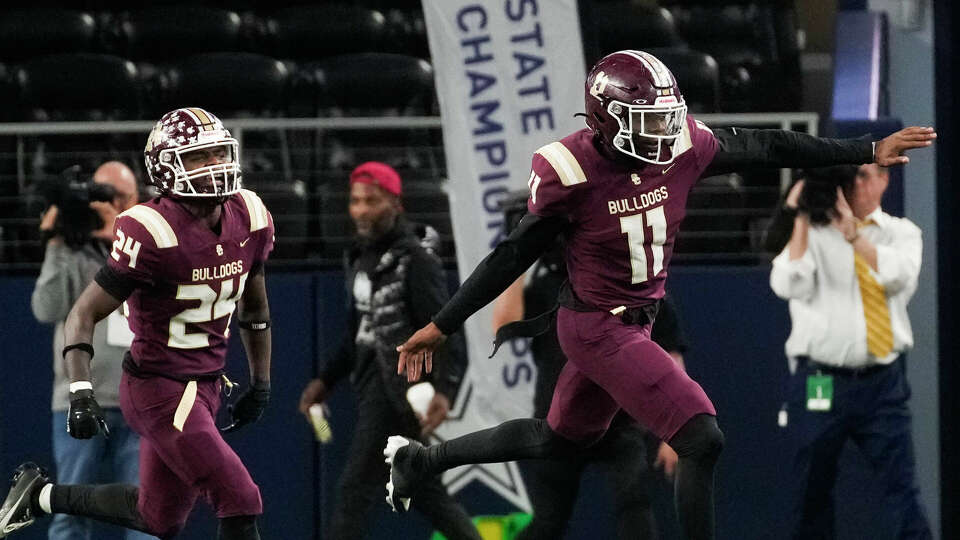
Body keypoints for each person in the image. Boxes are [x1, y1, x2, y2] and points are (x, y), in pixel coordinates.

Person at [382, 49, 936, 540]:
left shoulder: (684, 146)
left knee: (558, 441)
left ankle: (421, 460)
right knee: (702, 434)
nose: (662, 133)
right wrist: (443, 323)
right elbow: (512, 254)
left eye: (664, 119)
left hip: (633, 322)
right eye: (646, 121)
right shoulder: (573, 170)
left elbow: (769, 144)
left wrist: (864, 149)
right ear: (605, 120)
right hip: (597, 325)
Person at [0, 107, 275, 540]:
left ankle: (40, 495)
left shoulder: (251, 215)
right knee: (240, 498)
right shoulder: (152, 229)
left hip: (204, 385)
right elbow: (81, 313)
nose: (215, 167)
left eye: (218, 153)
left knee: (157, 517)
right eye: (200, 158)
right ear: (167, 169)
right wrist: (80, 390)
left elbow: (255, 312)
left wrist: (261, 382)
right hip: (159, 389)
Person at [298, 162, 479, 540]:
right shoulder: (358, 257)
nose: (361, 210)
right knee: (427, 493)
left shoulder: (416, 260)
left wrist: (445, 390)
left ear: (395, 203)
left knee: (355, 490)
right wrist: (324, 381)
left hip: (399, 389)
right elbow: (359, 333)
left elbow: (446, 330)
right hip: (368, 384)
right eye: (355, 201)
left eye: (371, 201)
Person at [491, 191, 683, 540]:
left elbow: (671, 358)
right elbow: (504, 326)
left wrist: (677, 431)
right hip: (560, 422)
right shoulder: (551, 286)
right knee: (549, 520)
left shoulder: (641, 286)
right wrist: (518, 253)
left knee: (634, 502)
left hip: (621, 421)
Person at [768, 163, 932, 539]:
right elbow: (787, 283)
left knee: (901, 487)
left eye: (864, 174)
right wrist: (801, 217)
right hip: (821, 382)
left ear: (884, 180)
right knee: (811, 486)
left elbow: (898, 277)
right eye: (849, 176)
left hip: (882, 385)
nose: (855, 183)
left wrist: (853, 235)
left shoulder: (901, 234)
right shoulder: (813, 234)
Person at [30, 160, 152, 540]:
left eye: (119, 197)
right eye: (102, 195)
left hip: (143, 402)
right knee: (69, 514)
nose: (109, 204)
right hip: (79, 401)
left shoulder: (153, 242)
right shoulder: (75, 248)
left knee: (148, 513)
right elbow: (46, 308)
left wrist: (122, 235)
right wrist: (57, 242)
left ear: (136, 198)